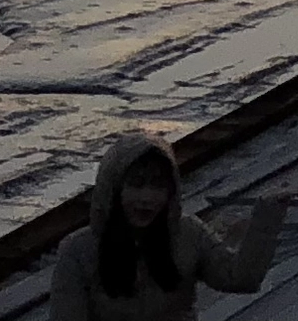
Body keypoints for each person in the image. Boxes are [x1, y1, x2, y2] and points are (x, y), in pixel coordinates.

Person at [48, 132, 284, 321]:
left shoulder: (188, 234)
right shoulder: (78, 252)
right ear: (114, 189)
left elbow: (241, 278)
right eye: (136, 184)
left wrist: (267, 214)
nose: (147, 198)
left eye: (158, 185)